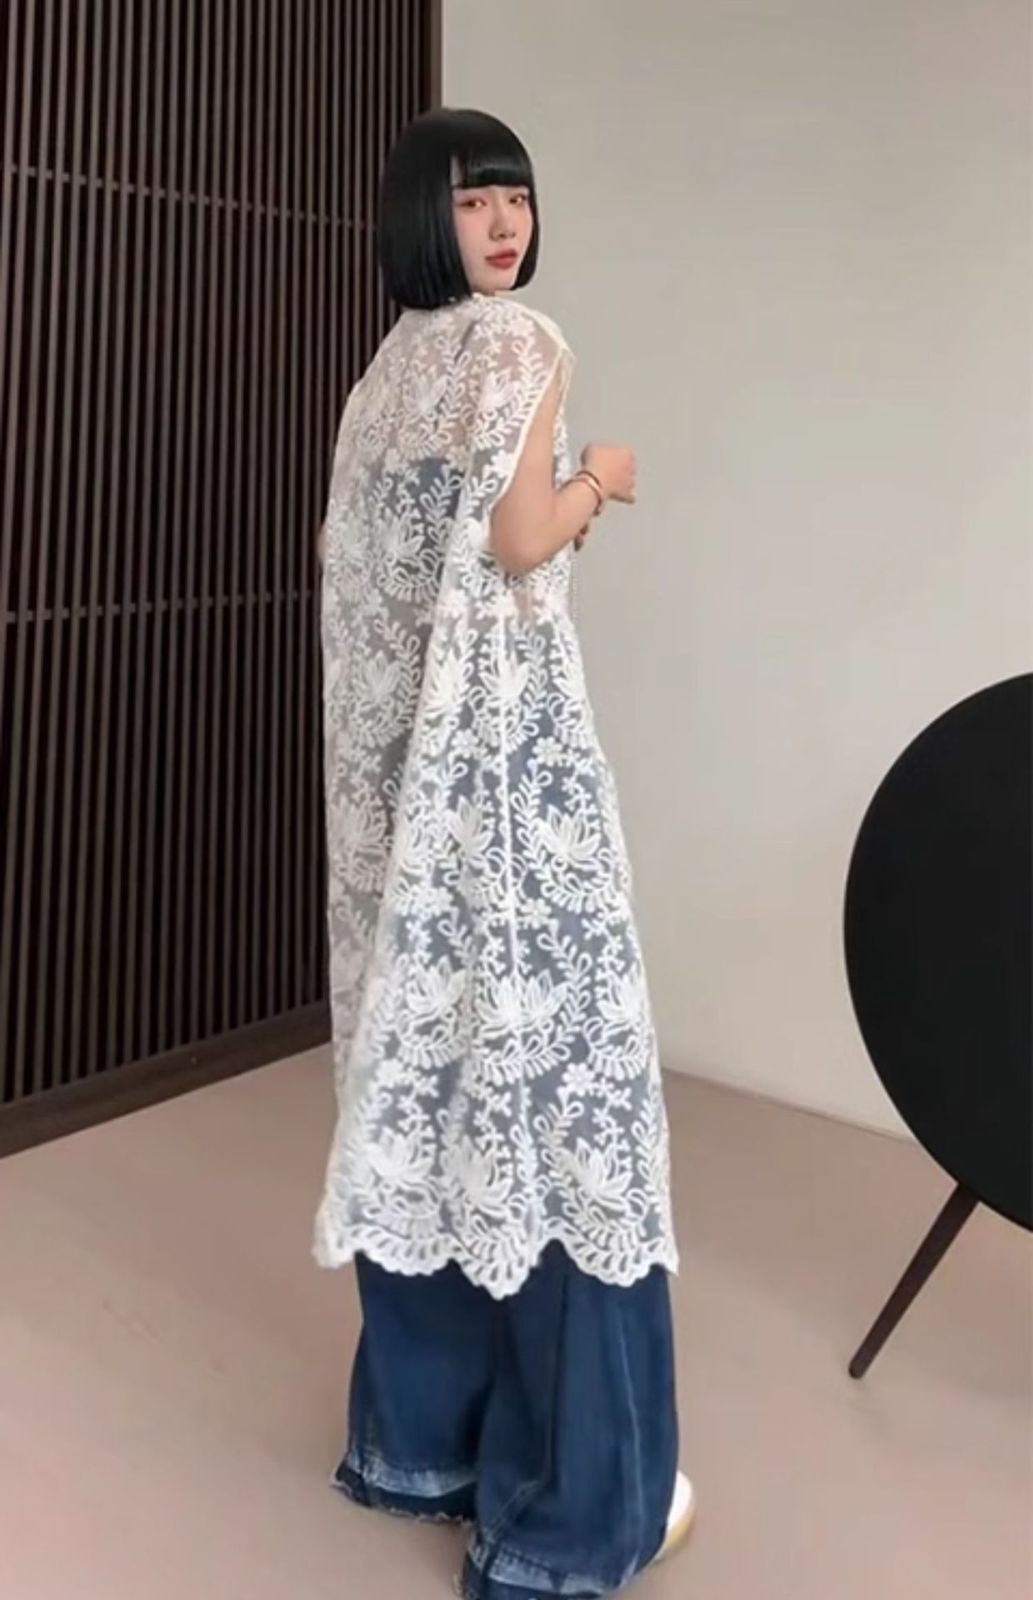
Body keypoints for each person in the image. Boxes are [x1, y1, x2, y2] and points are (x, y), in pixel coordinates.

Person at [315, 107, 693, 1600]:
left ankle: (421, 1450)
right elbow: (521, 541)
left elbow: (384, 576)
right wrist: (601, 479)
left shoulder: (379, 381)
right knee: (560, 1104)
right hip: (506, 799)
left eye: (516, 198)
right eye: (474, 200)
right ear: (427, 216)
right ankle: (571, 1517)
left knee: (431, 1087)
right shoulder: (517, 343)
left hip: (401, 809)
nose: (503, 224)